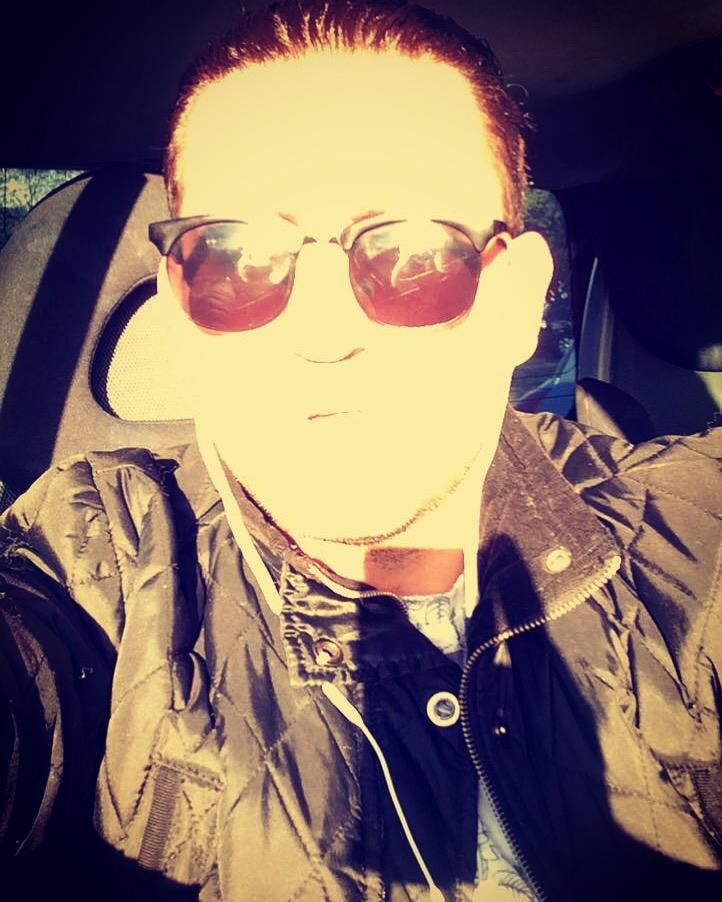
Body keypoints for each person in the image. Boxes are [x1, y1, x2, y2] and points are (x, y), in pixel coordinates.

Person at [1, 1, 720, 900]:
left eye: (413, 256)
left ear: (515, 303)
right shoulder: (97, 561)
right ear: (180, 314)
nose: (321, 333)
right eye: (233, 258)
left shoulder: (692, 532)